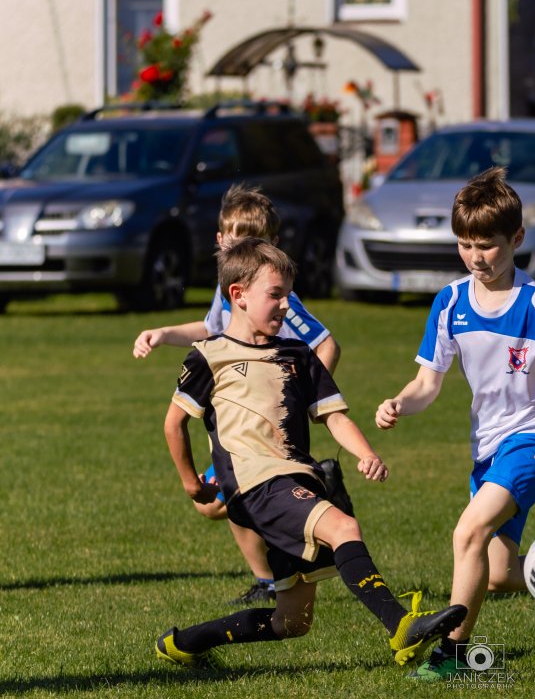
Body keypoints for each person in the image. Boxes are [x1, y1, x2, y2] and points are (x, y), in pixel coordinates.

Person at [156, 237, 466, 669]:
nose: (285, 305)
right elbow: (175, 422)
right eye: (275, 295)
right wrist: (191, 483)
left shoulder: (298, 355)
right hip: (255, 484)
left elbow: (333, 416)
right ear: (238, 295)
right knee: (342, 526)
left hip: (297, 478)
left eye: (288, 294)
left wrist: (365, 453)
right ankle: (401, 628)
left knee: (292, 621)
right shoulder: (210, 356)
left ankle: (185, 642)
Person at [374, 167, 535, 682]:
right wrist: (398, 403)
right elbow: (427, 384)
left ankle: (453, 657)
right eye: (464, 245)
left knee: (468, 531)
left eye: (487, 245)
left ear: (517, 239)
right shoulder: (451, 302)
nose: (476, 257)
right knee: (500, 574)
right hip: (487, 447)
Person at [133, 184, 341, 604]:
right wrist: (164, 333)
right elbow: (211, 330)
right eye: (234, 237)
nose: (240, 246)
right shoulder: (229, 288)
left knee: (234, 496)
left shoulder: (279, 297)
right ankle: (281, 565)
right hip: (232, 416)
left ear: (272, 246)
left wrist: (300, 394)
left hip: (263, 423)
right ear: (220, 240)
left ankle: (285, 563)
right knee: (215, 504)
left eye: (254, 240)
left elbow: (327, 345)